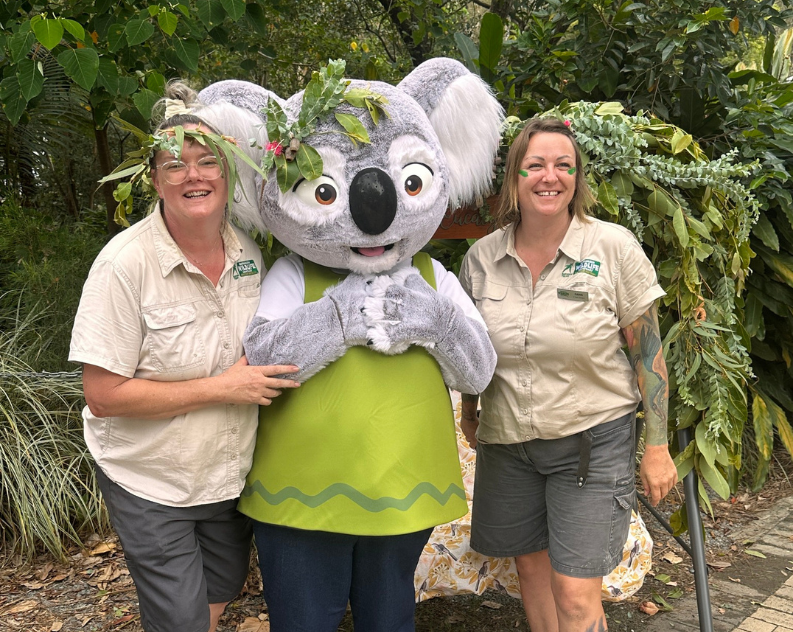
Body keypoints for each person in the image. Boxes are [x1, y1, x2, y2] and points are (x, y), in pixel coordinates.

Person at [69, 83, 300, 632]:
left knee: (218, 592)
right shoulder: (125, 265)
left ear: (227, 169)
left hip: (225, 475)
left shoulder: (248, 251)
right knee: (181, 619)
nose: (192, 175)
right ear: (154, 178)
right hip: (150, 477)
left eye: (206, 160)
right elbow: (102, 397)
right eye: (174, 164)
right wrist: (222, 388)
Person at [458, 117, 678, 632]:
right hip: (509, 443)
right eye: (535, 165)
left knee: (575, 594)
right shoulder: (481, 260)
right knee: (532, 578)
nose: (549, 176)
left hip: (591, 442)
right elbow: (470, 352)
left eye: (563, 165)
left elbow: (649, 353)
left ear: (578, 178)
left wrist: (658, 445)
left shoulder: (612, 248)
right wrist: (471, 412)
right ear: (515, 177)